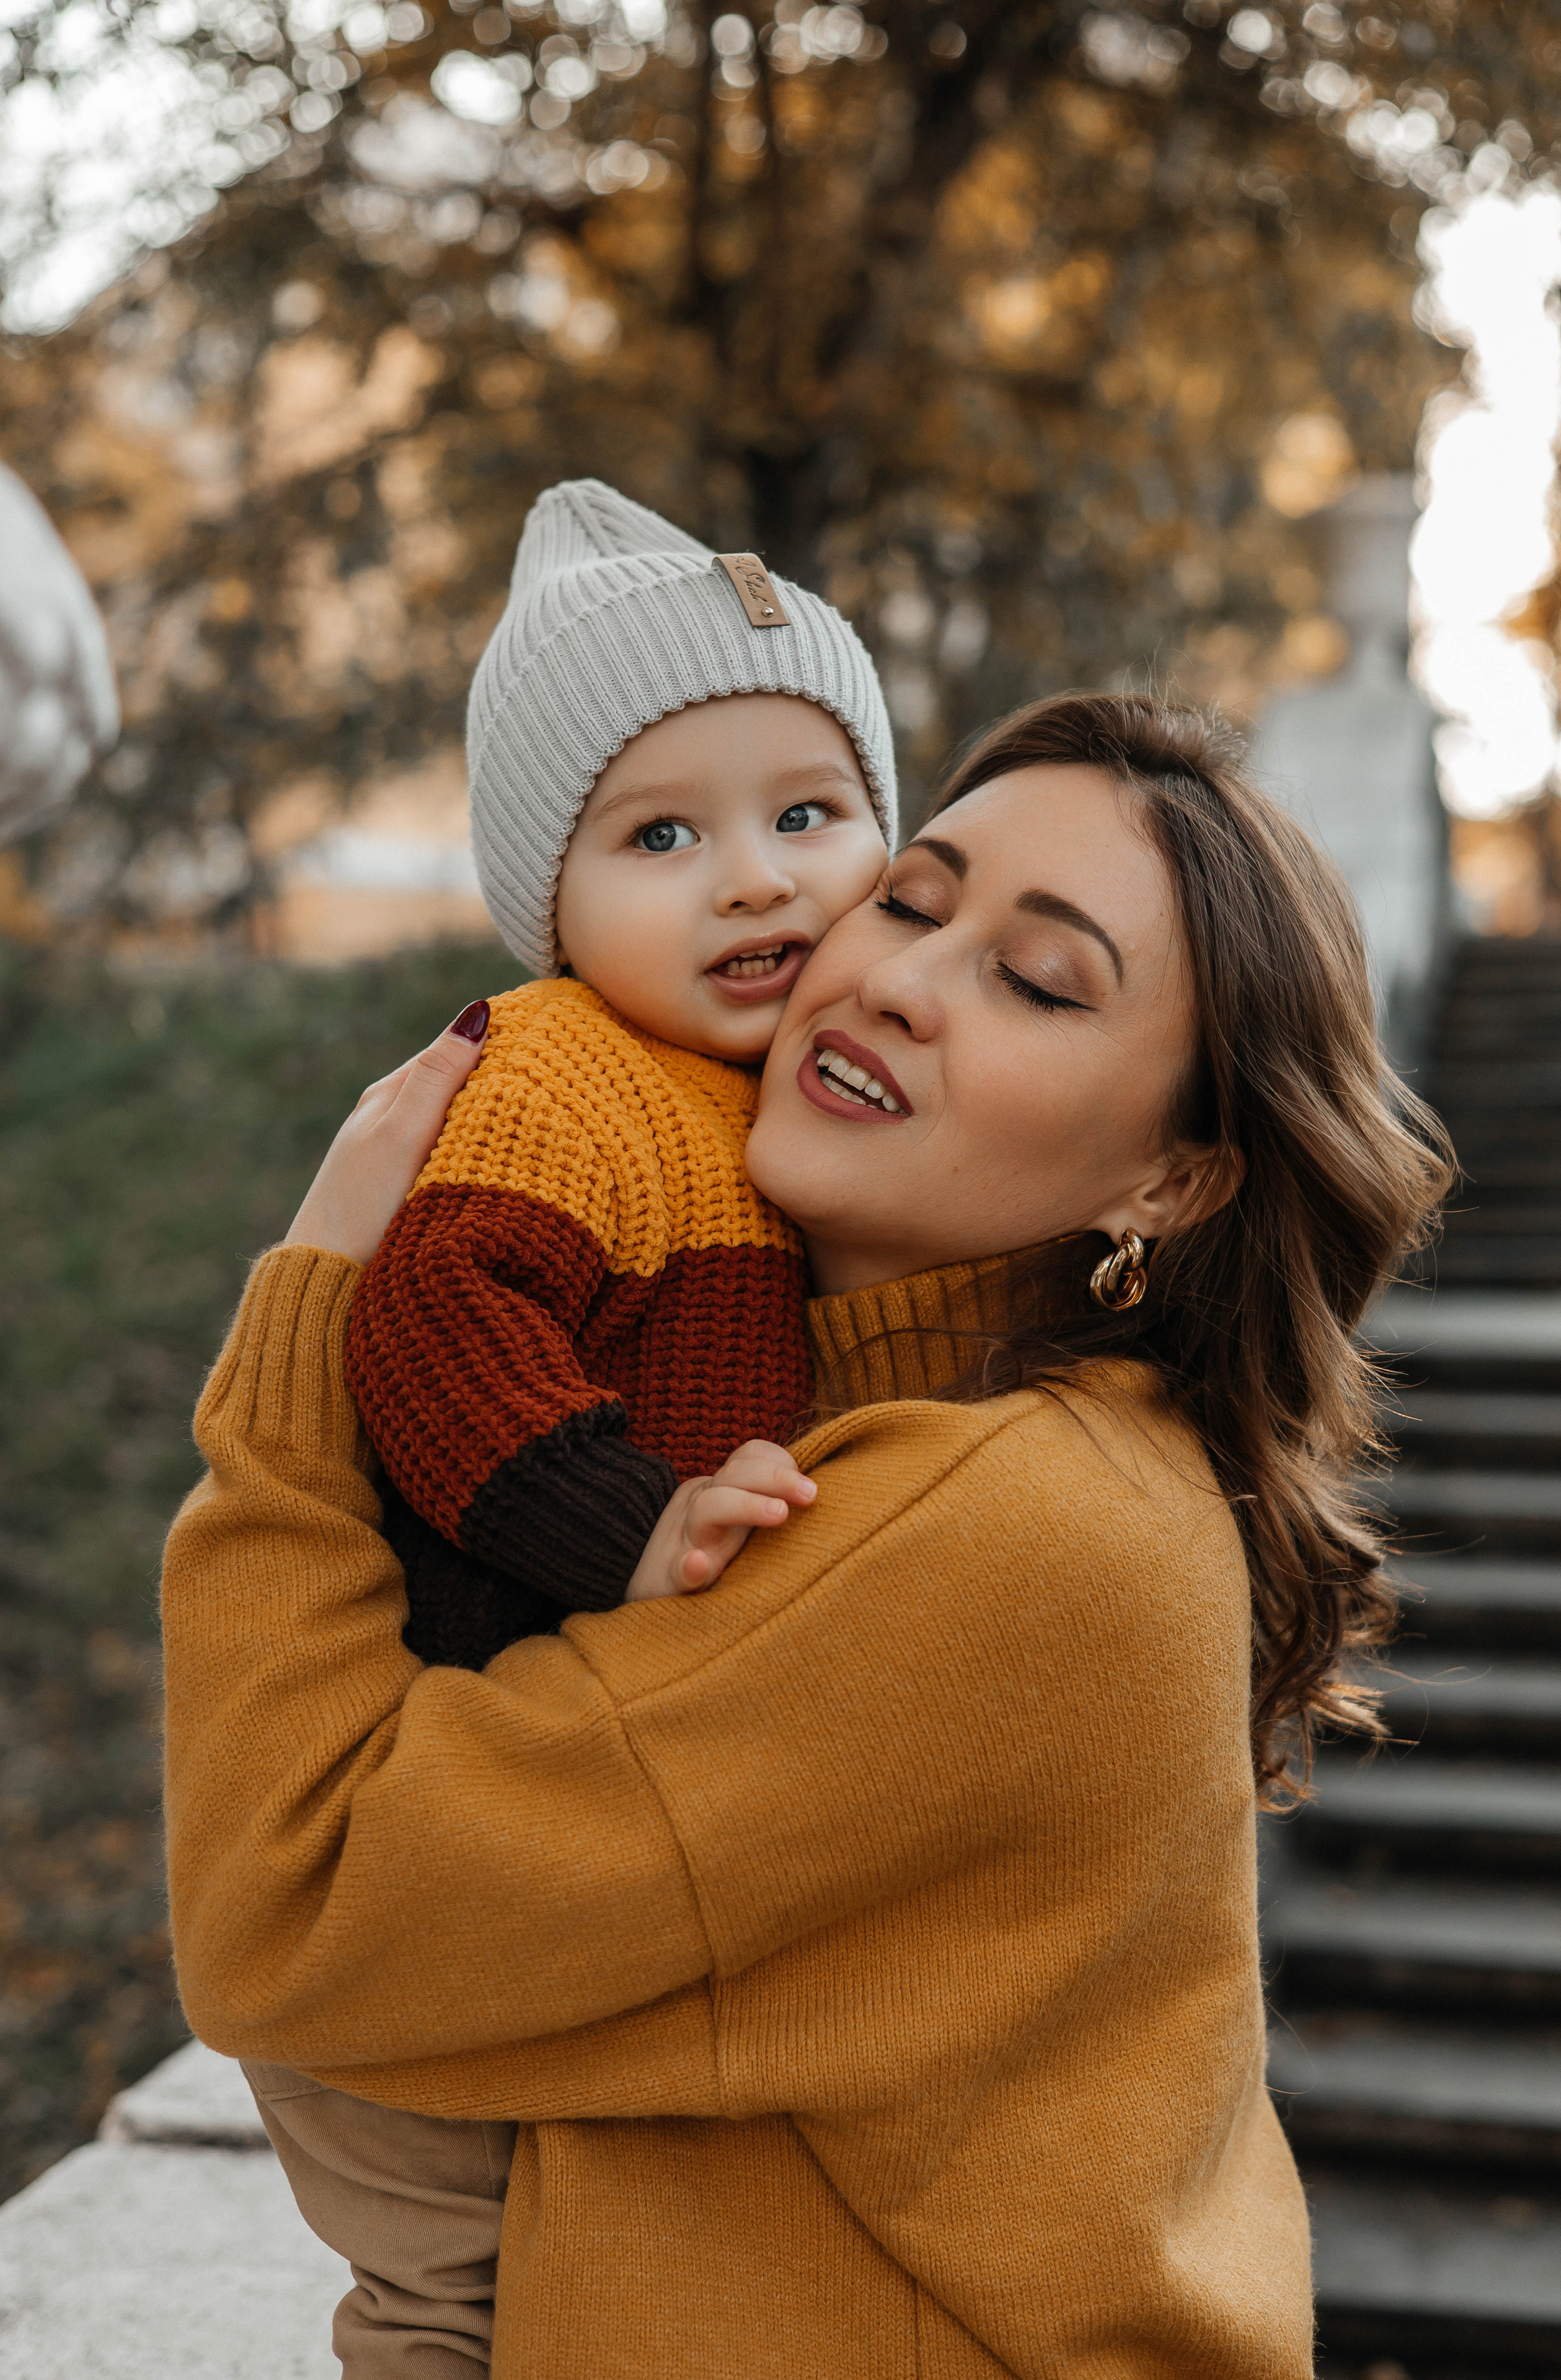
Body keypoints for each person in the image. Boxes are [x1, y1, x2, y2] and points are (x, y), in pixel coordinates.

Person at [162, 691, 1453, 2379]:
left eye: (1040, 982)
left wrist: (322, 1302)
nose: (901, 980)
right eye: (912, 901)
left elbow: (291, 1903)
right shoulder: (863, 1444)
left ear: (1173, 1183)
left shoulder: (1017, 1524)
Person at [241, 474, 896, 2373]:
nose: (757, 878)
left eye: (810, 814)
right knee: (452, 2295)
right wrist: (630, 1522)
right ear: (551, 900)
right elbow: (437, 1326)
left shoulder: (770, 1095)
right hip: (427, 1865)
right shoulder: (563, 1074)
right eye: (663, 835)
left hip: (568, 1848)